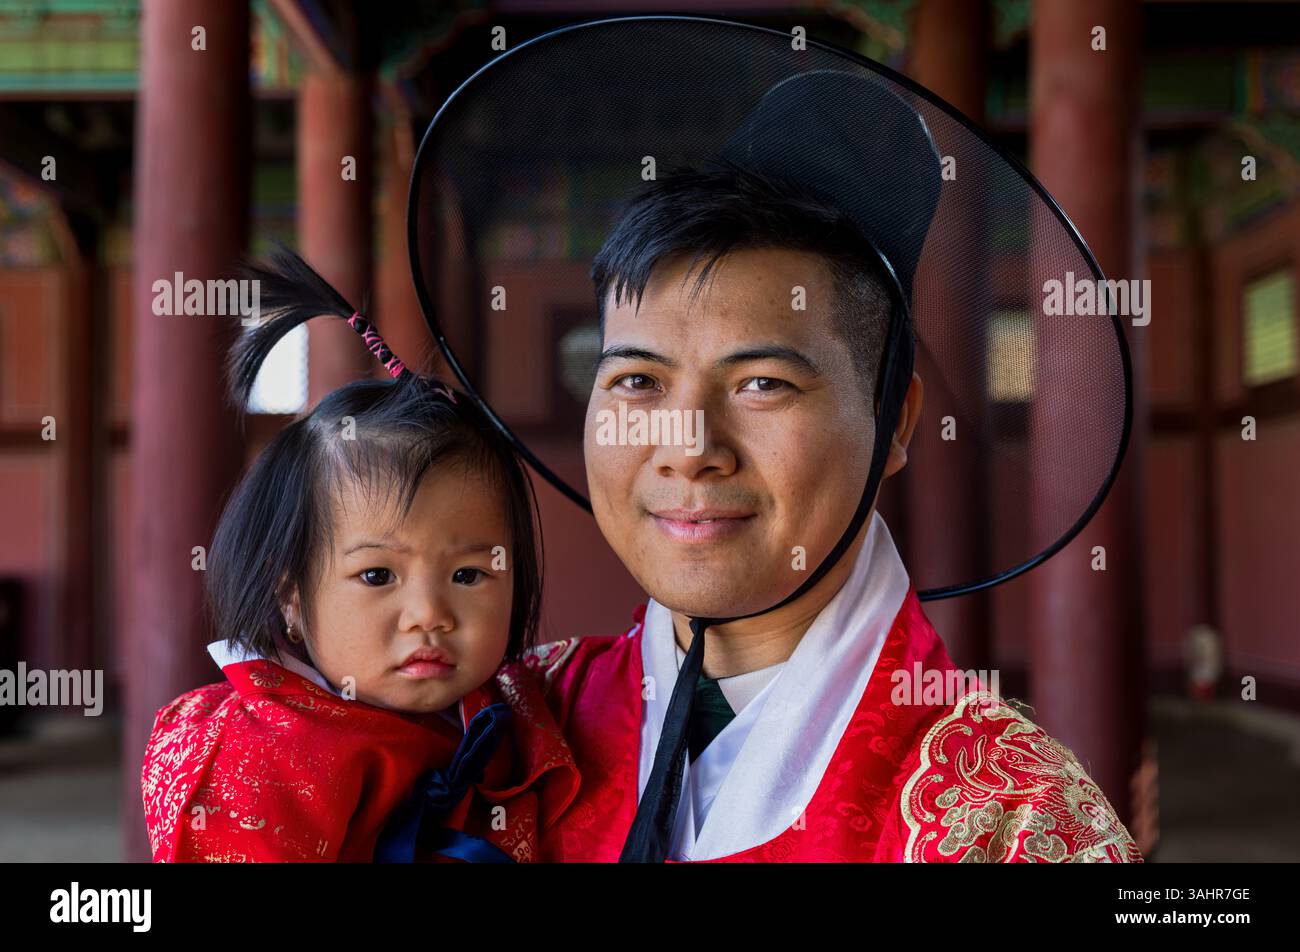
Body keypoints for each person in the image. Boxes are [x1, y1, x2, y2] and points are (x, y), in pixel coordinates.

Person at [405, 18, 1141, 862]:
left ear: (895, 421)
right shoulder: (500, 727)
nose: (689, 448)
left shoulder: (1012, 816)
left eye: (762, 384)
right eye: (637, 382)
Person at [140, 249, 576, 863]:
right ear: (291, 595)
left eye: (469, 574)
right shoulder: (261, 757)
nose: (429, 613)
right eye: (377, 574)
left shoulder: (517, 712)